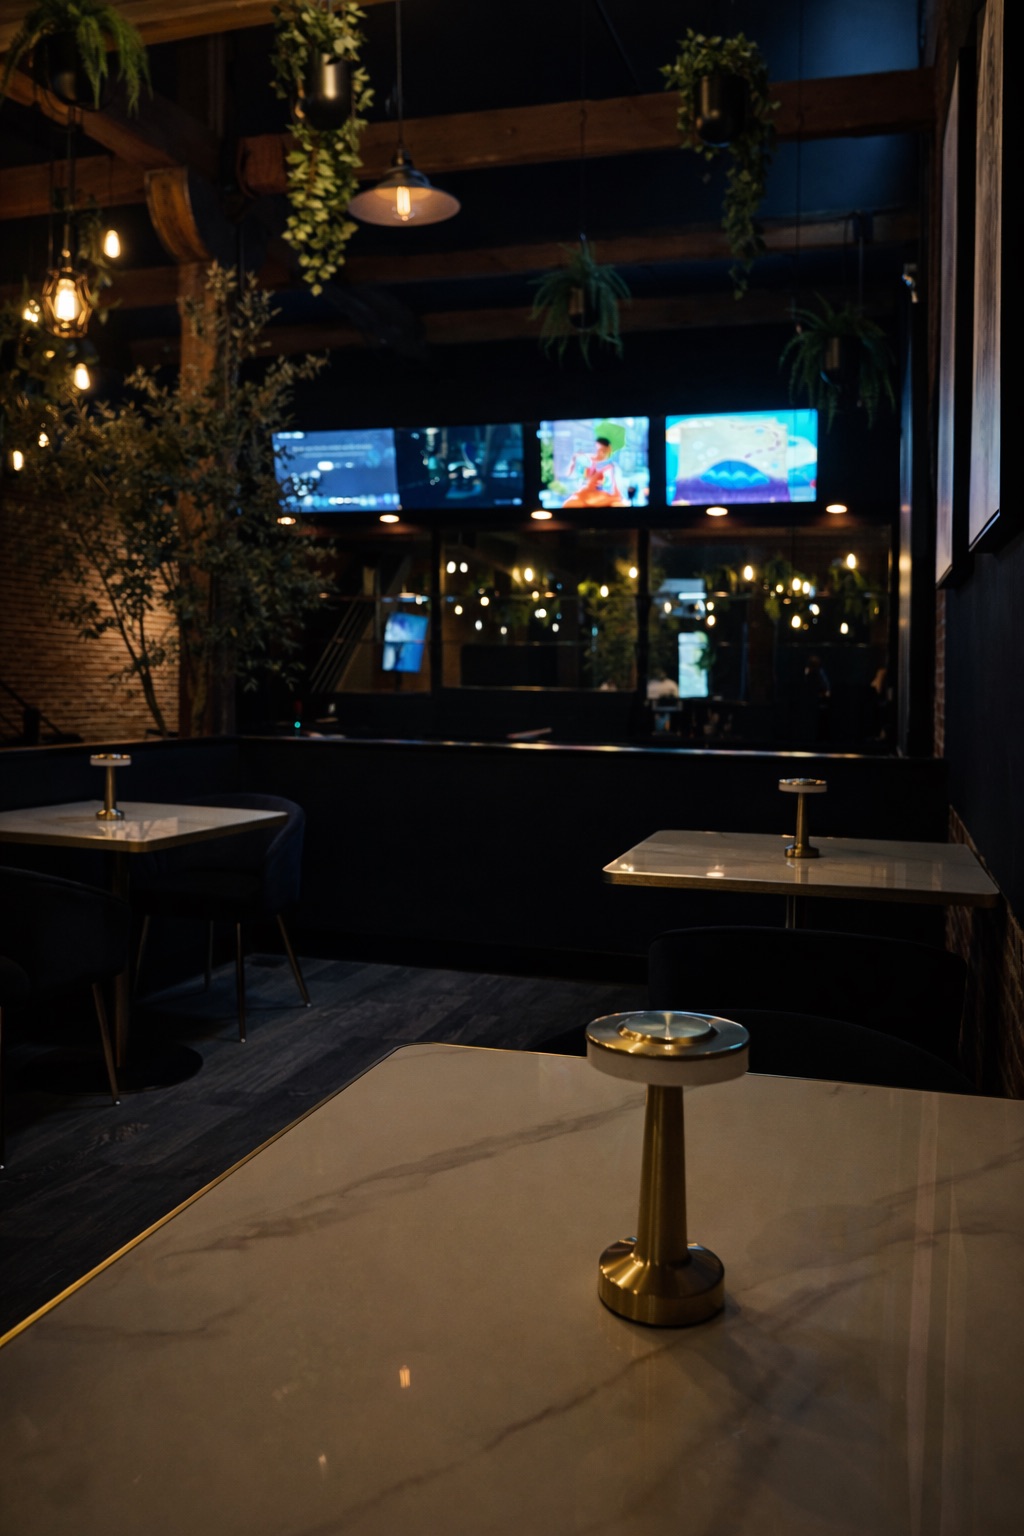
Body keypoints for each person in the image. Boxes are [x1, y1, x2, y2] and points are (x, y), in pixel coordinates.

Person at [562, 436, 625, 508]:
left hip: (601, 497)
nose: (600, 453)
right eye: (597, 450)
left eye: (603, 450)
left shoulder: (612, 467)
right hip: (584, 496)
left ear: (608, 449)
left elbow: (616, 490)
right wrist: (573, 461)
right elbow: (569, 476)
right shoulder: (583, 461)